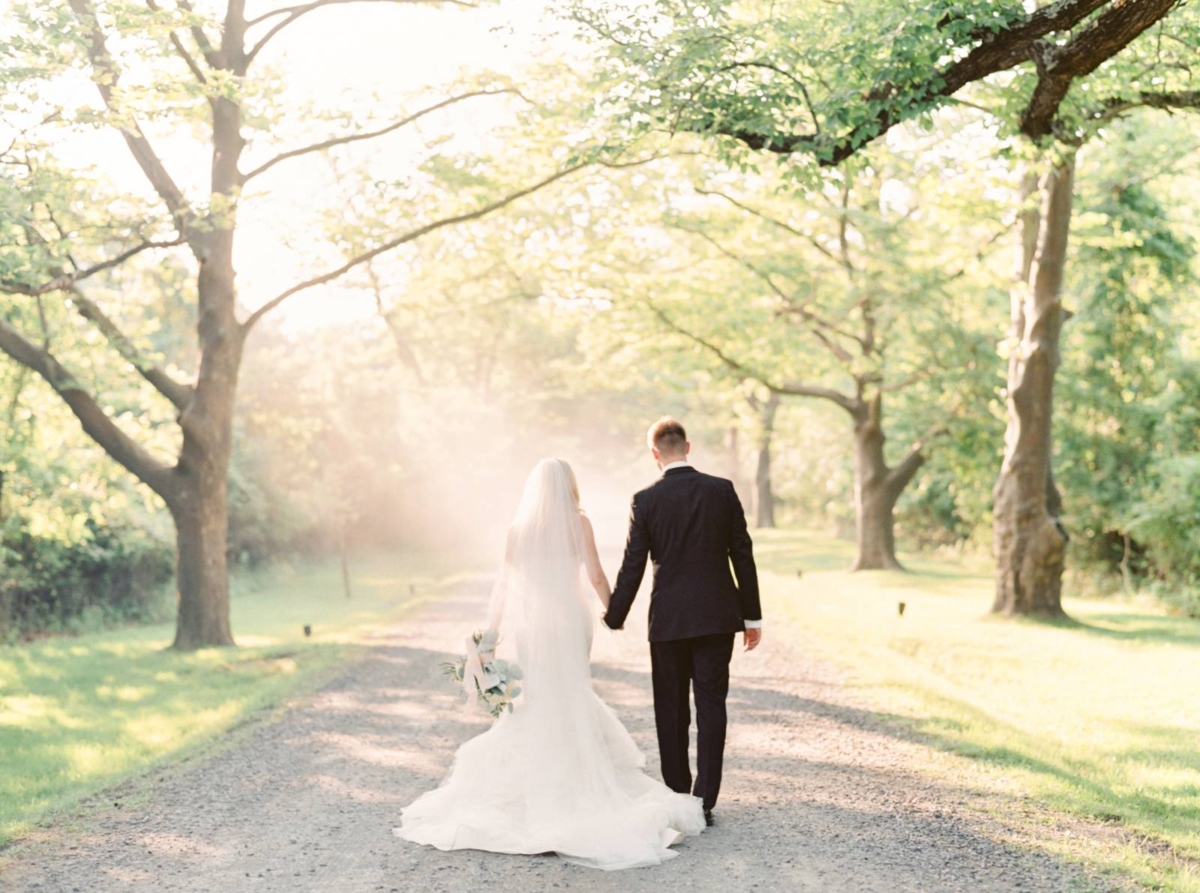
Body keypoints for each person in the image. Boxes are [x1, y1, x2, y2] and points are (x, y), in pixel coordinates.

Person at [395, 458, 705, 870]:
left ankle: (543, 782)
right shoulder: (579, 524)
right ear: (569, 487)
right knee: (571, 690)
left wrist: (488, 637)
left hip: (534, 626)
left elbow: (503, 586)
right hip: (570, 620)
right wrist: (614, 614)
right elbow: (595, 575)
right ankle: (578, 776)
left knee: (541, 695)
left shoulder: (517, 531)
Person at [603, 417, 762, 827]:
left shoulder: (645, 500)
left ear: (655, 454)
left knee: (670, 710)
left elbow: (633, 564)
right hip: (716, 617)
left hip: (669, 621)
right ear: (687, 447)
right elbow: (741, 554)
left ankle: (677, 796)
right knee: (712, 707)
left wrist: (615, 615)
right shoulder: (721, 491)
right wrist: (752, 616)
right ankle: (704, 801)